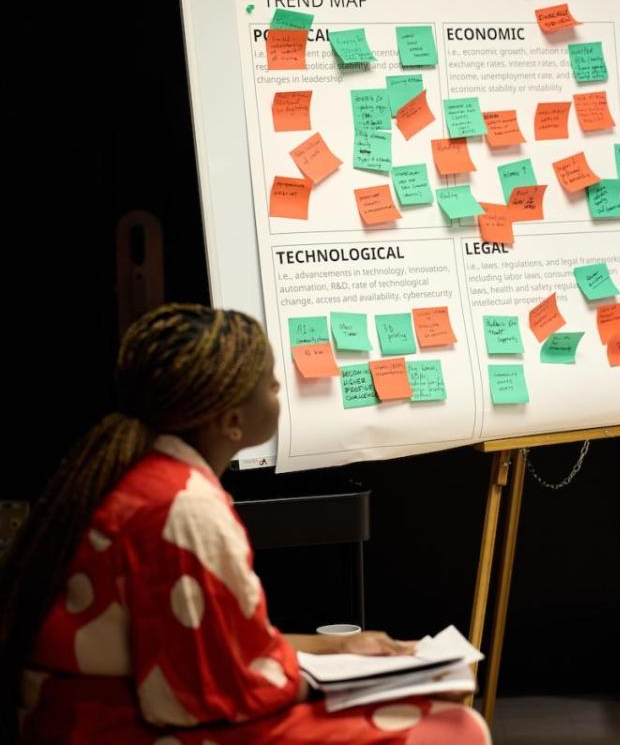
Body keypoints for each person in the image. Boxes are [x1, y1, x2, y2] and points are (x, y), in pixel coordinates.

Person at [1, 304, 490, 743]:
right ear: (232, 422)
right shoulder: (183, 508)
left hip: (95, 716)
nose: (281, 389)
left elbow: (212, 649)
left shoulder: (140, 476)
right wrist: (354, 686)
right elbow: (200, 696)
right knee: (450, 728)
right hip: (120, 729)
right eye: (271, 382)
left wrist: (340, 646)